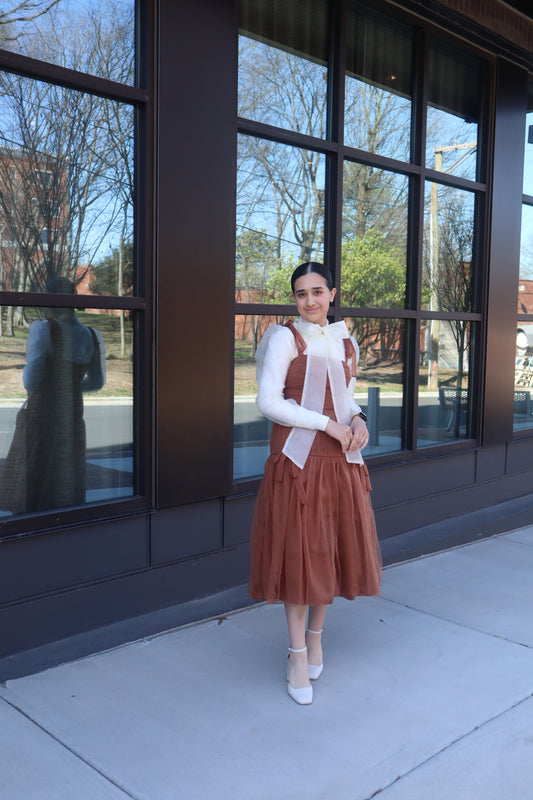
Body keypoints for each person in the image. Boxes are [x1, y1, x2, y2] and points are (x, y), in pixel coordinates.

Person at [249, 262, 382, 705]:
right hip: (298, 460)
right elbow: (268, 401)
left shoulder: (346, 340)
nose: (310, 301)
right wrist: (328, 424)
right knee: (298, 555)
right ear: (295, 298)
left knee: (328, 552)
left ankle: (317, 637)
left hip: (340, 460)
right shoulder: (286, 337)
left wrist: (359, 418)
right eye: (301, 294)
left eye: (318, 292)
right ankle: (296, 654)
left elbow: (346, 395)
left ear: (332, 293)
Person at [0, 277, 106, 513]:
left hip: (43, 409)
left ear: (53, 303)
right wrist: (70, 387)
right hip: (72, 411)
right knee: (64, 474)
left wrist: (51, 386)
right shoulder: (91, 335)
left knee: (35, 470)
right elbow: (97, 381)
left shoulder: (44, 330)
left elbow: (31, 379)